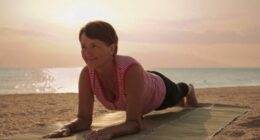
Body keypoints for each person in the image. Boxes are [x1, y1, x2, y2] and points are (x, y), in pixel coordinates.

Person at [43, 20, 198, 140]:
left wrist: (111, 130)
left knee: (178, 92)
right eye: (83, 47)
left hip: (160, 89)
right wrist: (68, 128)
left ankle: (189, 89)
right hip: (139, 83)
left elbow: (134, 123)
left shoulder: (131, 71)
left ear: (112, 48)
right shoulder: (86, 75)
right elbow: (84, 119)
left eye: (94, 46)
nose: (87, 53)